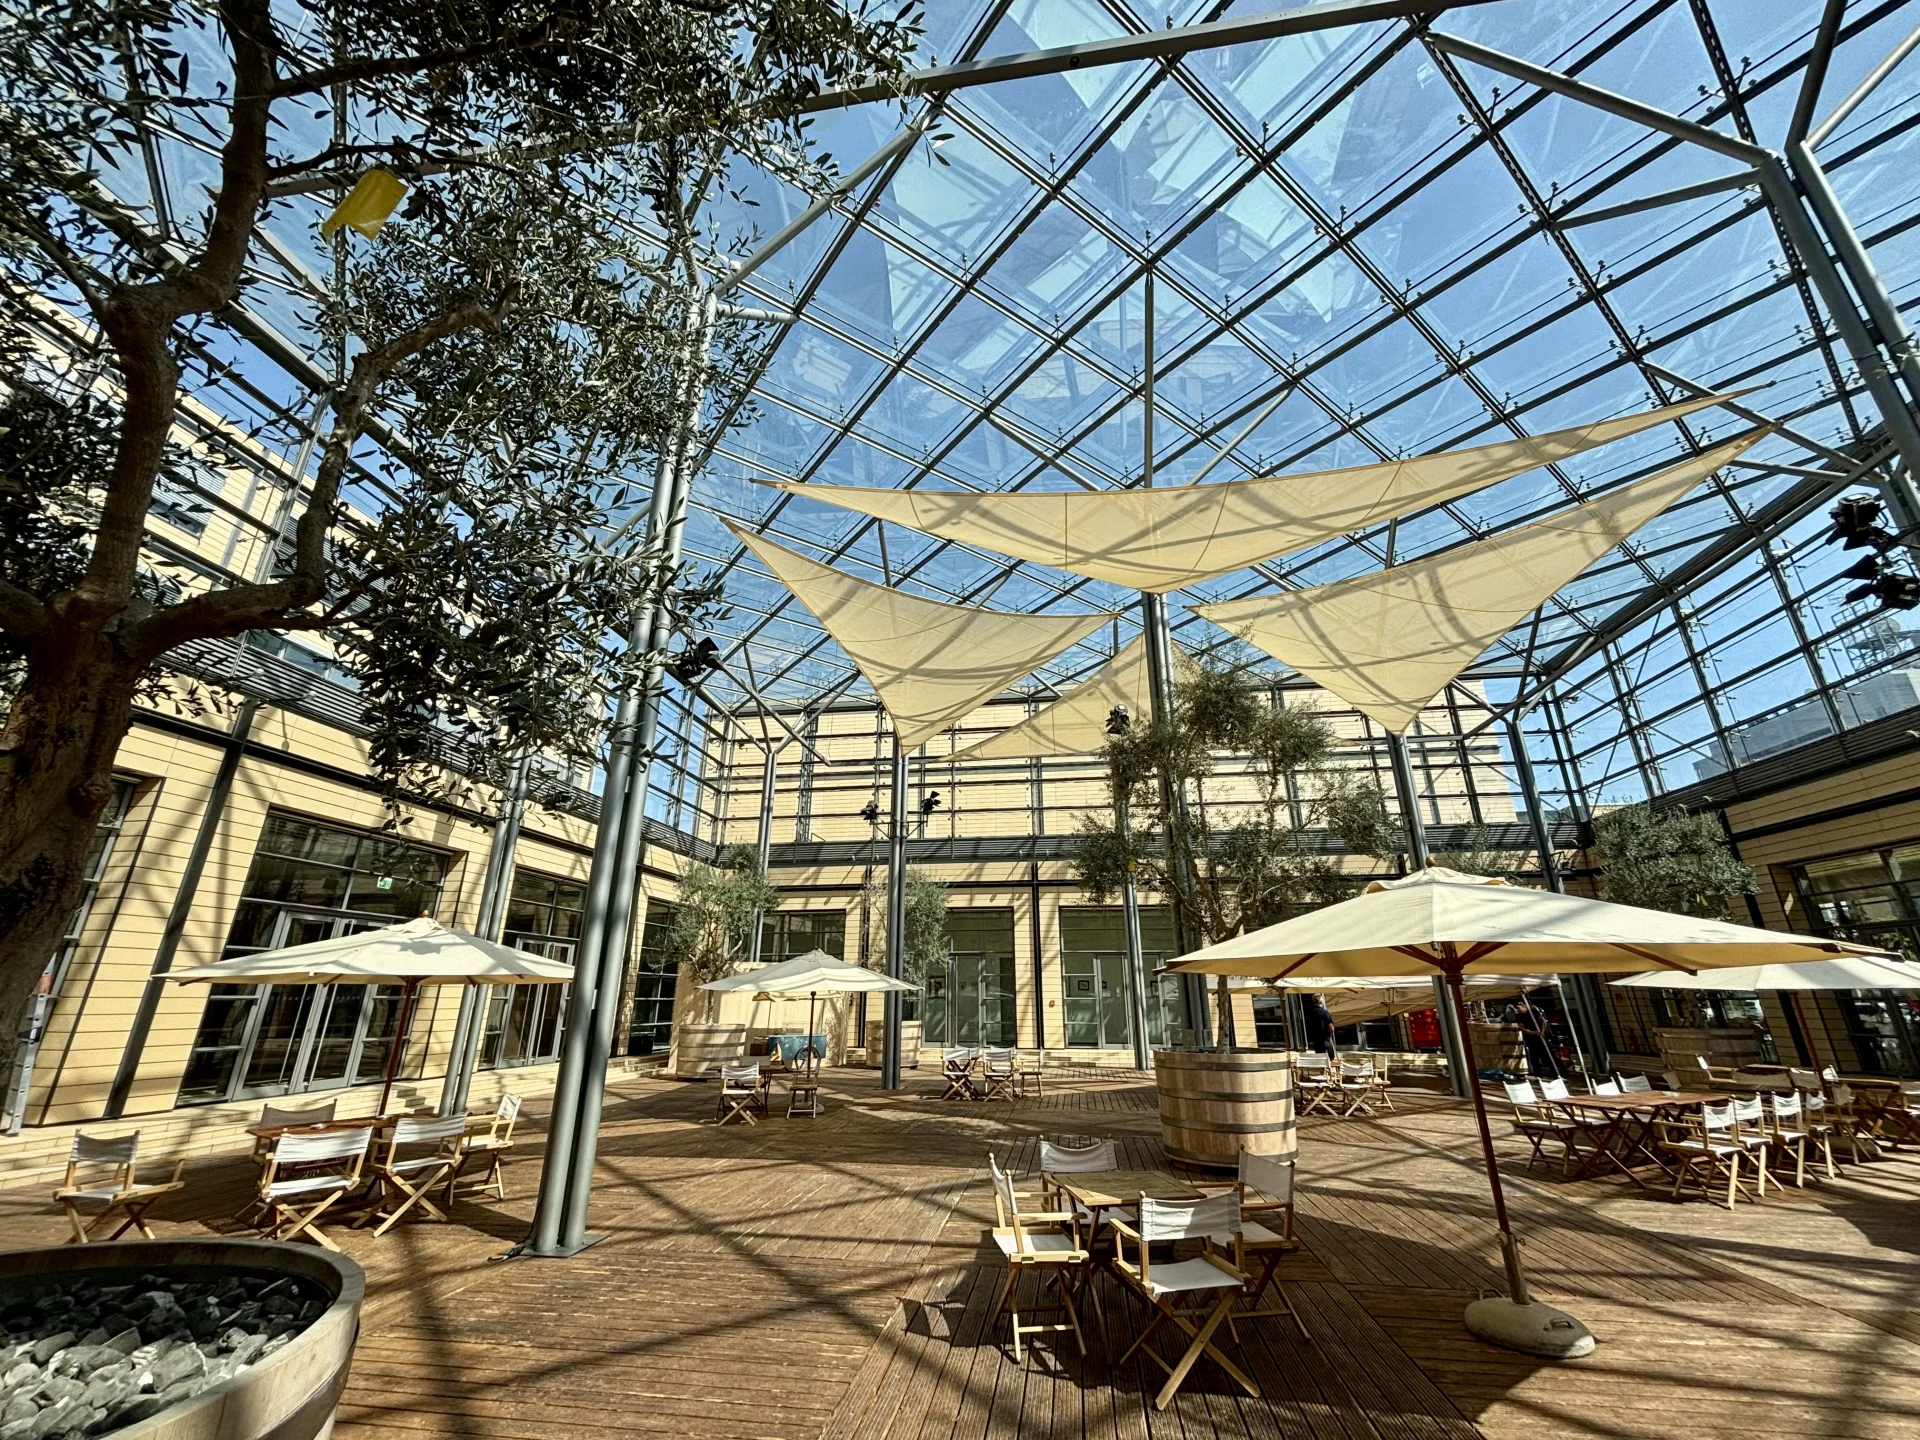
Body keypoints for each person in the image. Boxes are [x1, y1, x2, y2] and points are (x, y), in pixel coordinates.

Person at [1512, 993, 1559, 1080]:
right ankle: (1538, 1075)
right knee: (1534, 1056)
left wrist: (1542, 1032)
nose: (1518, 1010)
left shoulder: (1533, 1010)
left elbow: (1543, 1021)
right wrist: (1533, 1033)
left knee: (1548, 1054)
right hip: (1531, 1037)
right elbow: (1522, 1028)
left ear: (1523, 1005)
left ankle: (1556, 1073)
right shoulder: (1518, 1016)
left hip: (1541, 1036)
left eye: (1518, 1008)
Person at [1303, 994, 1336, 1060]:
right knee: (1330, 1059)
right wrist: (1329, 1034)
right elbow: (1331, 1028)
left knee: (1320, 1059)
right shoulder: (1325, 1013)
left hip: (1316, 1040)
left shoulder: (1311, 1013)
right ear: (1321, 1001)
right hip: (1326, 1039)